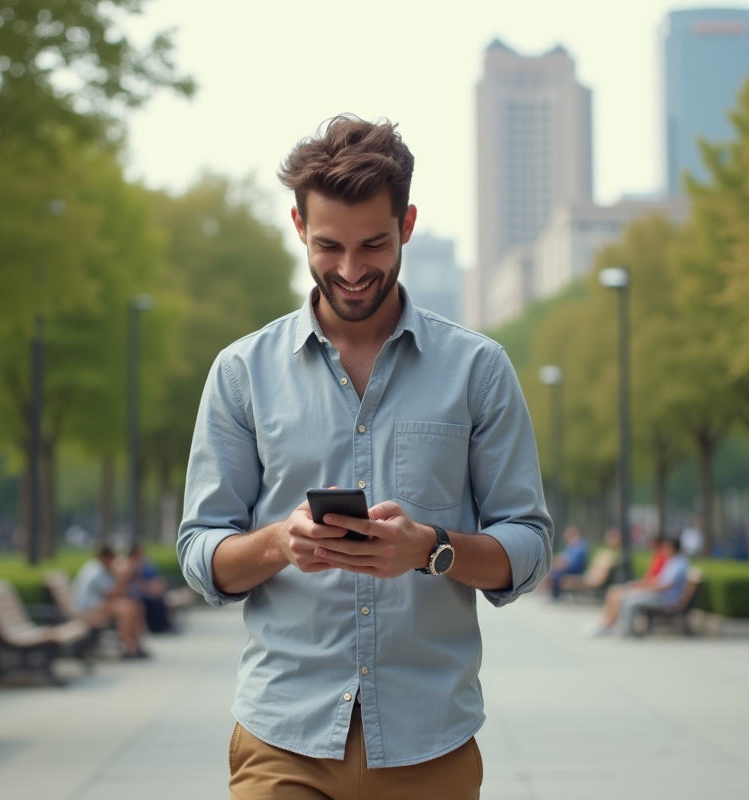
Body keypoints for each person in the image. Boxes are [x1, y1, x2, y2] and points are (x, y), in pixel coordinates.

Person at [178, 115, 552, 800]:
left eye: (374, 244)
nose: (351, 271)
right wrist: (278, 544)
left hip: (428, 742)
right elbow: (201, 554)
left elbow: (527, 545)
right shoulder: (241, 372)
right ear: (298, 227)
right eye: (329, 246)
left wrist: (430, 549)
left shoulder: (479, 369)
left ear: (407, 224)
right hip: (281, 738)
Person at [586, 538, 689, 637]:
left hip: (666, 599)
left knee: (629, 600)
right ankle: (610, 625)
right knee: (624, 595)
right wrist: (643, 587)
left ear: (674, 548)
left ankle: (627, 632)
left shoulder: (679, 564)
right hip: (659, 594)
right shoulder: (673, 561)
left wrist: (645, 589)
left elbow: (666, 586)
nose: (664, 550)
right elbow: (658, 580)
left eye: (667, 548)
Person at [72, 545, 149, 659]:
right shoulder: (96, 571)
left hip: (97, 605)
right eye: (113, 558)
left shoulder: (100, 568)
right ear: (107, 557)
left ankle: (136, 646)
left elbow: (116, 594)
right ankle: (127, 647)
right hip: (87, 610)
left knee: (136, 606)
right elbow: (114, 594)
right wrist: (124, 575)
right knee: (126, 610)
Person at [128, 544, 178, 634]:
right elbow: (135, 583)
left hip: (149, 590)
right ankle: (156, 627)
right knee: (150, 601)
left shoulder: (146, 564)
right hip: (136, 593)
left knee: (158, 600)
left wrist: (156, 587)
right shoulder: (130, 565)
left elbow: (157, 578)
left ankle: (163, 625)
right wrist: (149, 589)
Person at [545, 525, 587, 600]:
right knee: (552, 571)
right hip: (570, 568)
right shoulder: (571, 545)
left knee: (556, 575)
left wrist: (561, 563)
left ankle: (556, 597)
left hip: (575, 570)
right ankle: (554, 595)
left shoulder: (579, 544)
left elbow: (573, 561)